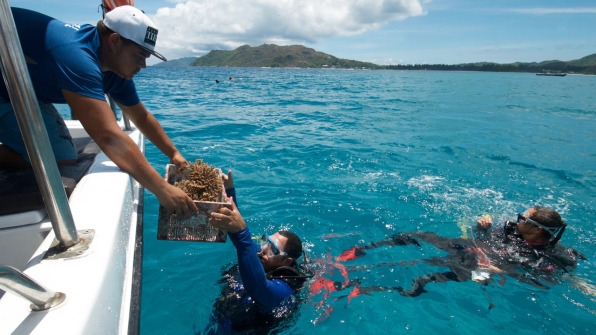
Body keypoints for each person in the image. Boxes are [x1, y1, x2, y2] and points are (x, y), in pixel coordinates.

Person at [0, 5, 197, 217]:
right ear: (114, 41)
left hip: (24, 92)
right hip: (8, 89)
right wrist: (162, 189)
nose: (144, 65)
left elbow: (141, 116)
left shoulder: (115, 71)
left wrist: (173, 153)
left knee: (62, 154)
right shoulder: (77, 56)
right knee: (59, 155)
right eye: (140, 56)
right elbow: (109, 137)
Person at [311, 206, 585, 301]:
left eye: (523, 217)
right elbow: (479, 236)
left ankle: (363, 288)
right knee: (418, 235)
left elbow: (544, 280)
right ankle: (359, 251)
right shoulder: (512, 229)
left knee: (424, 275)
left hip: (484, 267)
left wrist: (501, 271)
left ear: (537, 230)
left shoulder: (554, 256)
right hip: (470, 249)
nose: (517, 218)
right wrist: (480, 226)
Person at [205, 171, 312, 334]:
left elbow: (258, 287)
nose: (263, 249)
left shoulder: (285, 291)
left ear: (287, 262)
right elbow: (236, 231)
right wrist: (228, 192)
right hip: (217, 324)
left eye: (272, 249)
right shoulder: (261, 256)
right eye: (264, 241)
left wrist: (242, 233)